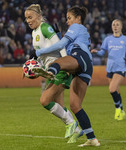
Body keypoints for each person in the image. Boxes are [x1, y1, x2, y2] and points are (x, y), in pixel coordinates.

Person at [32, 6, 100, 147]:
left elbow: (61, 44)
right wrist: (58, 34)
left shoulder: (77, 27)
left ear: (78, 18)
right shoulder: (80, 31)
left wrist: (40, 52)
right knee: (75, 106)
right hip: (85, 66)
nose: (67, 21)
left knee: (58, 63)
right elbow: (67, 43)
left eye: (69, 18)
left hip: (79, 57)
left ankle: (51, 72)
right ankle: (92, 138)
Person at [24, 4, 80, 142]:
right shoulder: (34, 32)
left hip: (60, 68)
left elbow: (60, 45)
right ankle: (77, 130)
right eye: (26, 18)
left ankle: (72, 124)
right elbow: (42, 55)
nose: (28, 20)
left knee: (44, 100)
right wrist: (32, 66)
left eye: (30, 17)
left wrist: (67, 65)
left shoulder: (45, 28)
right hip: (50, 71)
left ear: (38, 16)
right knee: (59, 106)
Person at [91, 19, 126, 120]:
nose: (115, 26)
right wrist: (96, 52)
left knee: (112, 89)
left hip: (120, 68)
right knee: (116, 90)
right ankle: (122, 110)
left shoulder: (125, 39)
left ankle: (117, 109)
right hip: (110, 68)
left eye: (117, 25)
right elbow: (102, 53)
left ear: (121, 27)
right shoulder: (107, 39)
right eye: (113, 24)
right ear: (111, 27)